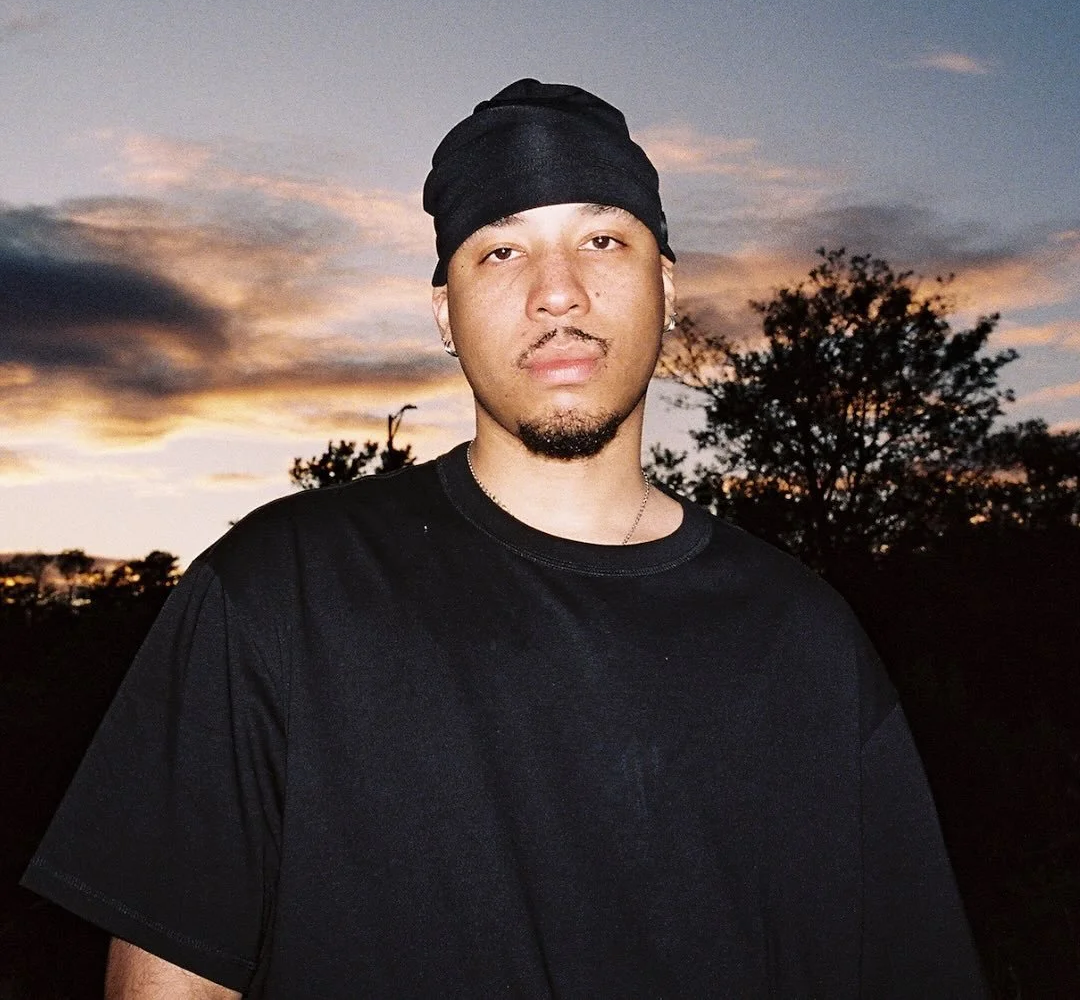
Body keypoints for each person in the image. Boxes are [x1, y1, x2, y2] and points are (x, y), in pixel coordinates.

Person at [22, 79, 987, 998]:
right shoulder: (280, 591)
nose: (557, 292)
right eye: (501, 252)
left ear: (664, 286)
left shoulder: (802, 638)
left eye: (602, 240)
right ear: (445, 314)